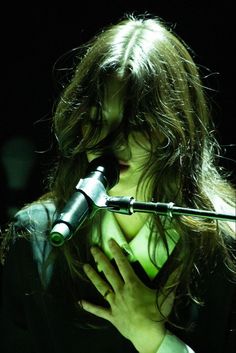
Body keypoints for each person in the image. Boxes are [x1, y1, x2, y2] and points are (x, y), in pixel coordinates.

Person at [0, 13, 235, 353]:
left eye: (137, 122)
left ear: (178, 129)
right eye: (97, 119)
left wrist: (155, 340)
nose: (112, 140)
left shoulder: (226, 248)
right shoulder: (35, 237)